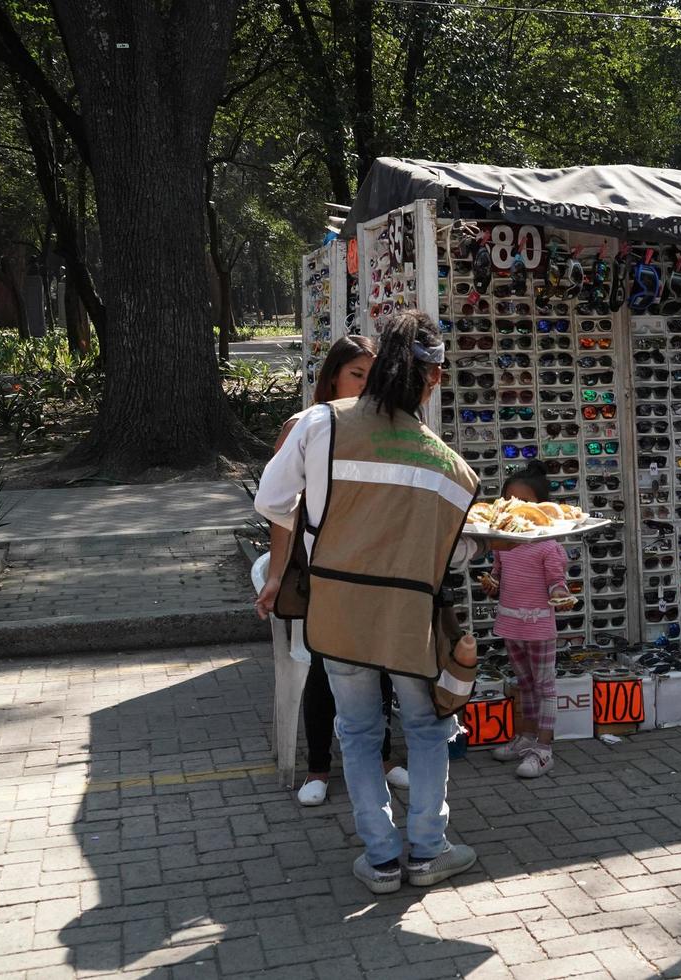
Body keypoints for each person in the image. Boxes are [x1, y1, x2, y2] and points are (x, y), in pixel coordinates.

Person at [255, 312, 481, 895]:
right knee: (428, 728)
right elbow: (454, 557)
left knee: (356, 730)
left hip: (338, 609)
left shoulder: (321, 422)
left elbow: (274, 499)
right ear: (431, 379)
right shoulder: (452, 469)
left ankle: (380, 859)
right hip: (410, 618)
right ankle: (429, 850)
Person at [255, 335, 411, 807]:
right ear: (332, 378)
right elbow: (281, 510)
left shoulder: (386, 427)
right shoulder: (306, 425)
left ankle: (383, 758)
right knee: (322, 666)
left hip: (376, 568)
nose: (363, 386)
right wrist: (278, 574)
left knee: (379, 663)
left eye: (371, 376)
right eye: (355, 375)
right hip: (322, 572)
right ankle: (318, 766)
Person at [480, 461, 574, 778]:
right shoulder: (502, 543)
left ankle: (544, 749)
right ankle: (526, 738)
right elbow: (497, 578)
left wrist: (560, 595)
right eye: (508, 500)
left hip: (539, 627)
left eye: (523, 502)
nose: (514, 508)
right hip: (510, 624)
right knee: (524, 684)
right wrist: (491, 586)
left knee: (544, 686)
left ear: (540, 508)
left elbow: (556, 582)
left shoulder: (548, 545)